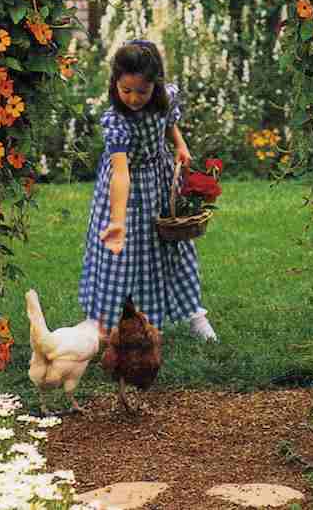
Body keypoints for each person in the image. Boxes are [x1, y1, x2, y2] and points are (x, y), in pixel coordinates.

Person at [78, 39, 217, 342]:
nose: (133, 98)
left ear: (155, 84)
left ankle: (194, 313)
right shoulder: (117, 121)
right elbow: (121, 174)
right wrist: (117, 221)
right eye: (125, 90)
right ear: (114, 83)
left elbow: (168, 121)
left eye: (142, 91)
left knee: (173, 248)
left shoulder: (164, 98)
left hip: (159, 180)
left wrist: (179, 144)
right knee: (121, 256)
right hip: (124, 192)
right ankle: (105, 322)